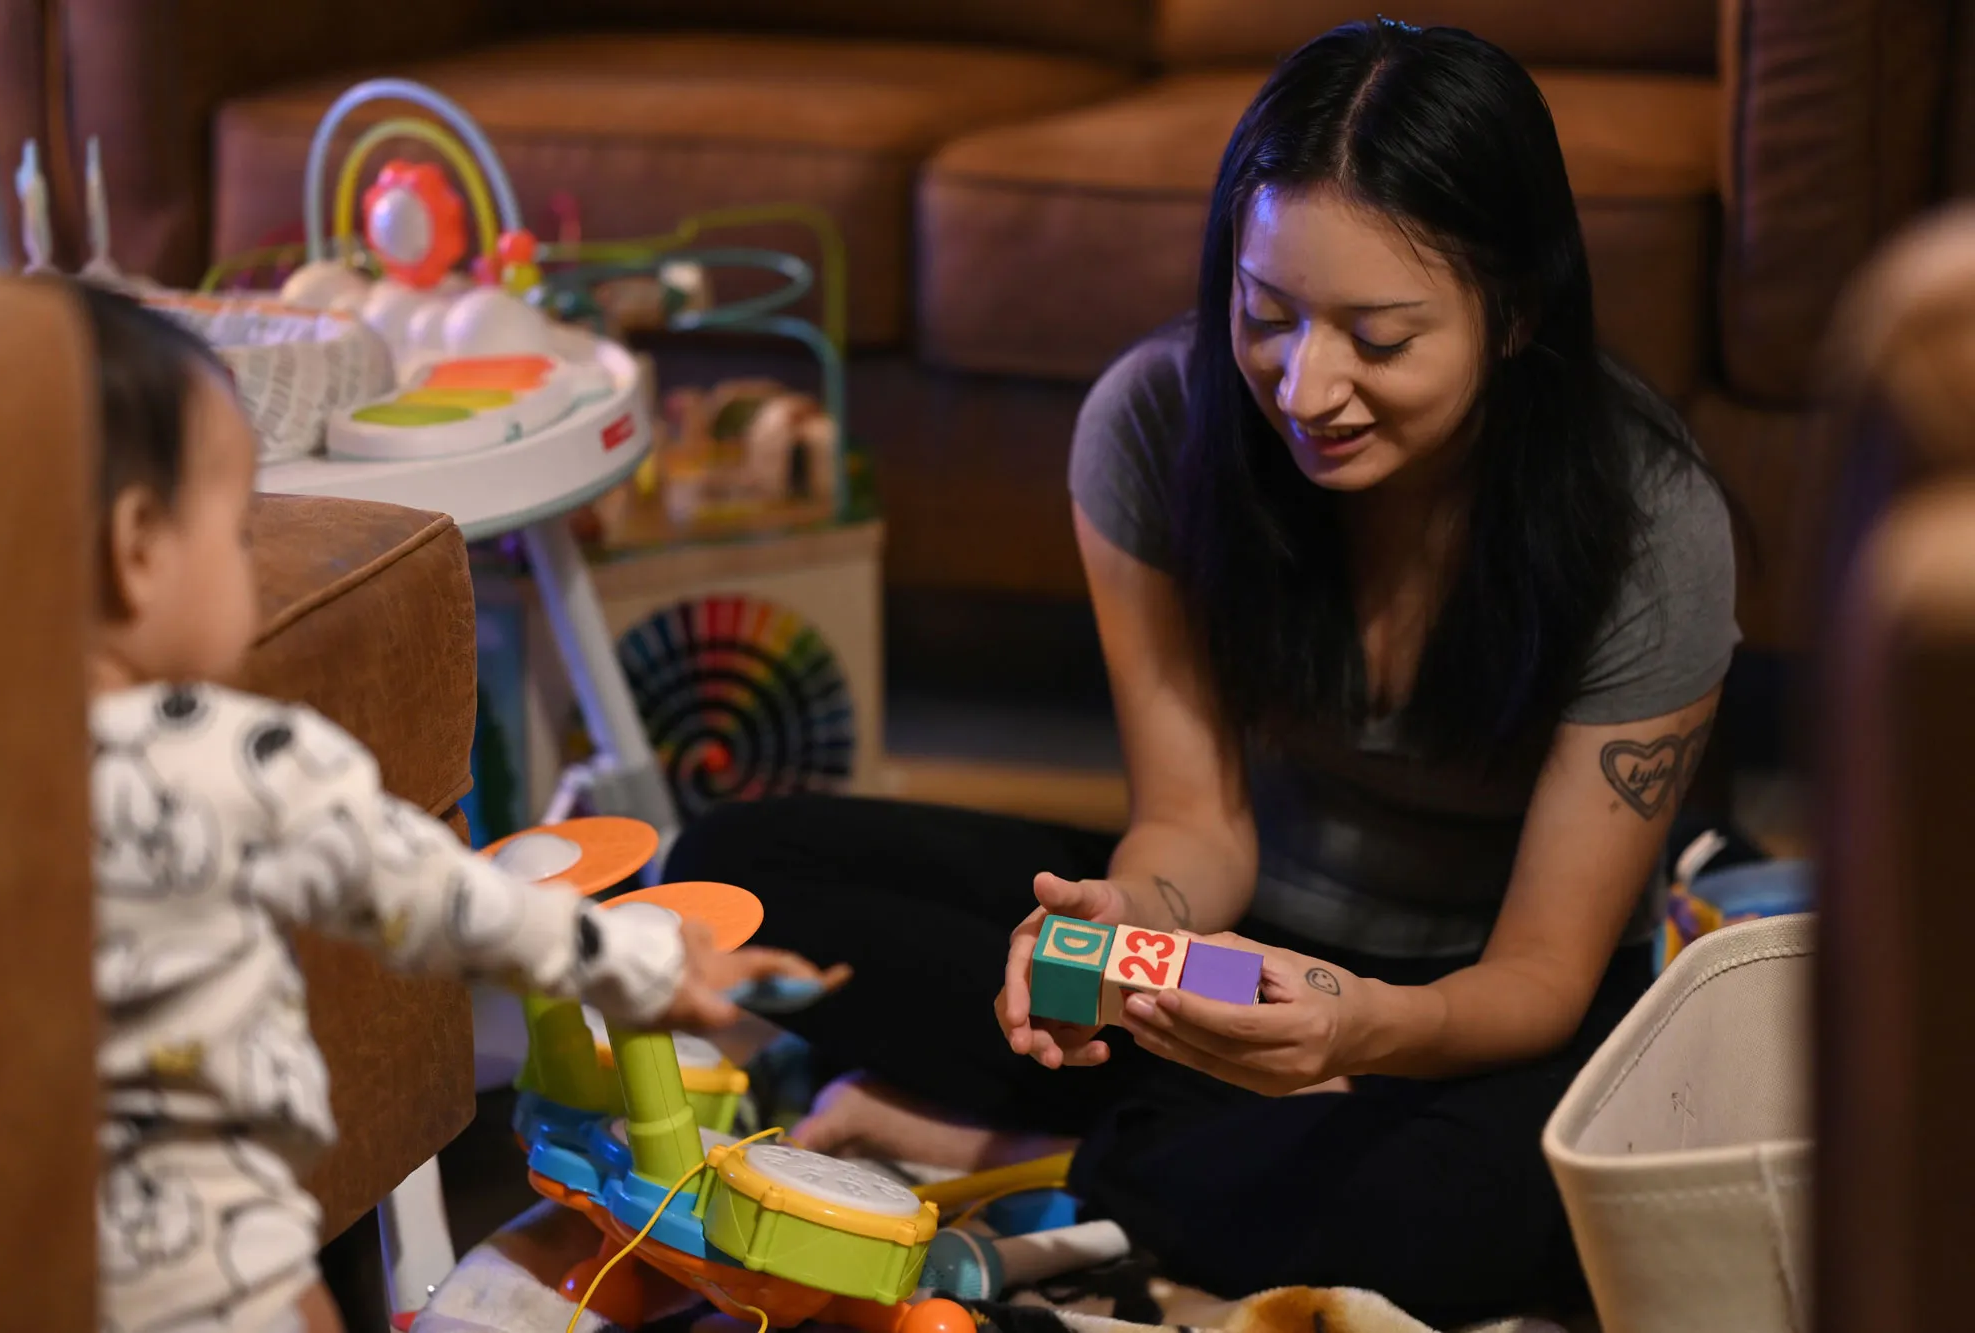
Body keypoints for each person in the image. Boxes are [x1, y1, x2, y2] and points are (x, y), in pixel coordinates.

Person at [664, 19, 1737, 1326]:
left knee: (1478, 1209)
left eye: (1382, 340)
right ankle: (1186, 1135)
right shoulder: (1157, 421)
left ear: (1513, 315)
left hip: (1476, 1010)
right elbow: (1196, 828)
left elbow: (1544, 975)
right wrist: (1121, 926)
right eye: (1266, 314)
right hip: (1243, 959)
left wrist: (1357, 1032)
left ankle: (1044, 1150)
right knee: (725, 872)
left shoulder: (1647, 518)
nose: (1308, 385)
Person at [77, 282, 841, 1333]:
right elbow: (447, 899)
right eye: (241, 528)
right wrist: (649, 966)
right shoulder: (235, 758)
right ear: (136, 548)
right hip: (213, 1254)